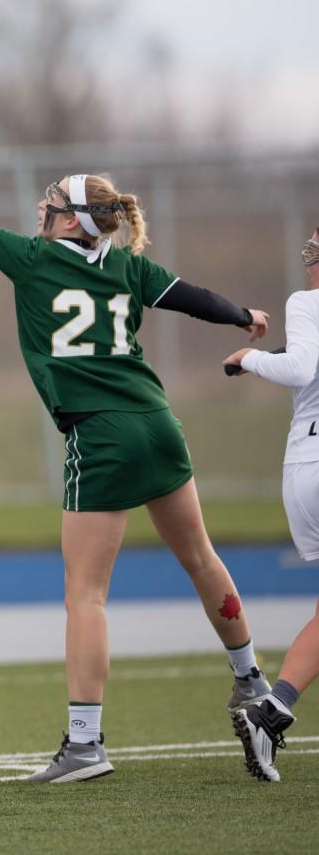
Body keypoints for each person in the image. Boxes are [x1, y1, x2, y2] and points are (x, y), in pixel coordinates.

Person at [0, 134, 272, 783]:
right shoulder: (130, 267)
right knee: (202, 558)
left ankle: (85, 745)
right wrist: (245, 315)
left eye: (51, 206)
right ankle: (251, 681)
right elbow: (197, 300)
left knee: (86, 595)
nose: (40, 213)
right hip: (158, 425)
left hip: (100, 437)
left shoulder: (34, 259)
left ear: (71, 220)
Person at [222, 229, 319, 782]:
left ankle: (271, 710)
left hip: (301, 468)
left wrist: (252, 359)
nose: (309, 257)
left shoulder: (308, 303)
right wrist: (258, 358)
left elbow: (301, 363)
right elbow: (303, 365)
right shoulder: (307, 302)